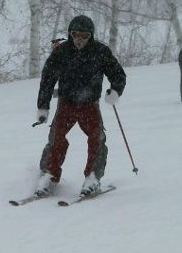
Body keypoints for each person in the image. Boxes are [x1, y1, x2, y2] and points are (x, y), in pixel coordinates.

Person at [33, 15, 127, 197]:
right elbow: (47, 80)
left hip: (89, 105)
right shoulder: (61, 52)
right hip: (66, 104)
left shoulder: (100, 51)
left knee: (97, 139)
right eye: (75, 34)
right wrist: (43, 106)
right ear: (70, 34)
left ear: (90, 36)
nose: (79, 39)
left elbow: (118, 74)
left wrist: (115, 91)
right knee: (56, 139)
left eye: (84, 35)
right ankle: (48, 176)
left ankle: (92, 178)